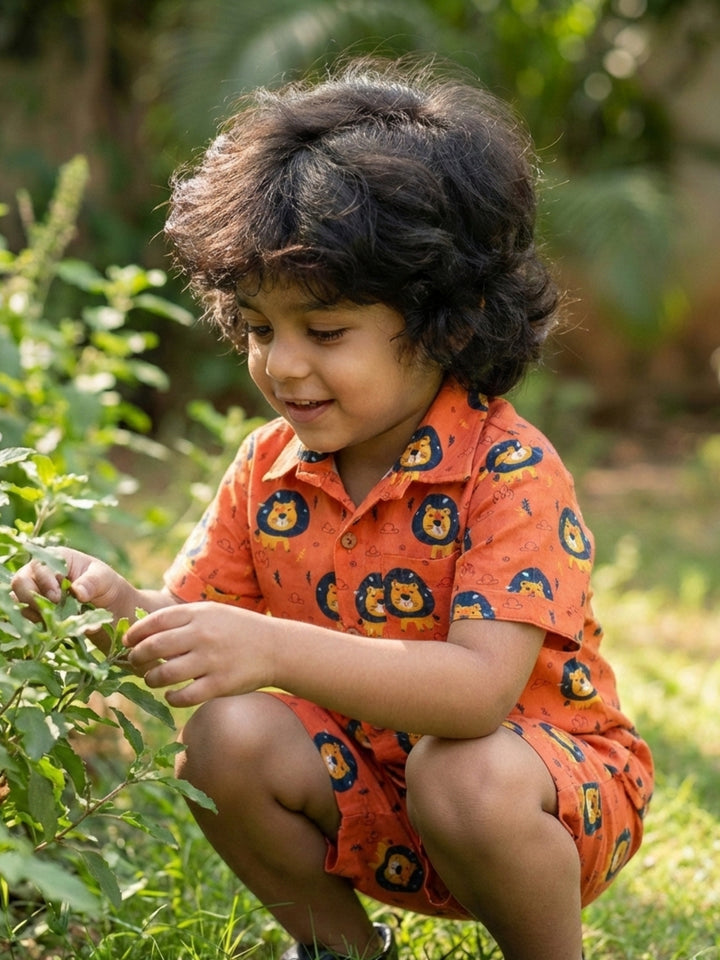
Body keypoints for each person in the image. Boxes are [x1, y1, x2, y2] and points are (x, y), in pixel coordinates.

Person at [11, 57, 653, 960]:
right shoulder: (270, 469)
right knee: (225, 736)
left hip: (538, 790)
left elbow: (475, 696)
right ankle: (341, 953)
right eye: (260, 327)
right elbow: (207, 626)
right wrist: (116, 606)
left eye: (325, 332)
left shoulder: (507, 470)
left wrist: (272, 648)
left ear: (448, 322)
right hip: (371, 790)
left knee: (459, 770)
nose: (280, 365)